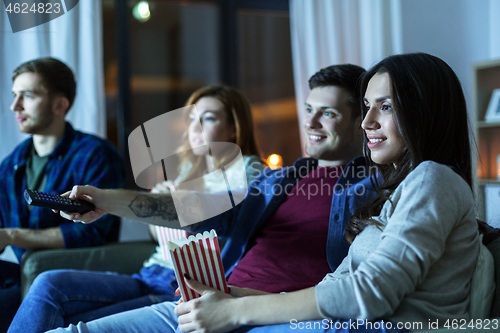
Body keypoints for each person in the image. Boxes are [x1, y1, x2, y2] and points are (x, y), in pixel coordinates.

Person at [38, 63, 379, 333]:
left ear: (359, 122)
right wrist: (105, 200)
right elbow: (197, 210)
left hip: (274, 314)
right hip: (206, 301)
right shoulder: (279, 180)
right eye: (308, 109)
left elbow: (365, 286)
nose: (311, 122)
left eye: (328, 113)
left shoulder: (378, 187)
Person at [171, 53, 486, 332]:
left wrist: (233, 311)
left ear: (425, 113)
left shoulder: (433, 178)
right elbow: (338, 285)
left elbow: (368, 294)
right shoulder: (400, 190)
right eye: (366, 107)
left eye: (386, 107)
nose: (367, 122)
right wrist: (233, 294)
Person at [7, 85, 265, 333]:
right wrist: (161, 200)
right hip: (151, 272)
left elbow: (229, 224)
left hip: (184, 283)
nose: (195, 127)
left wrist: (170, 202)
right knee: (48, 282)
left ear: (234, 127)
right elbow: (158, 237)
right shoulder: (188, 171)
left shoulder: (249, 169)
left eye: (208, 119)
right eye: (192, 119)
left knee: (76, 321)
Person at [0, 57, 124, 332]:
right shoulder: (11, 165)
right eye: (14, 95)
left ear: (60, 104)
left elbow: (93, 233)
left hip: (75, 277)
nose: (15, 106)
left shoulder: (96, 155)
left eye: (28, 96)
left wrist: (11, 236)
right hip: (23, 273)